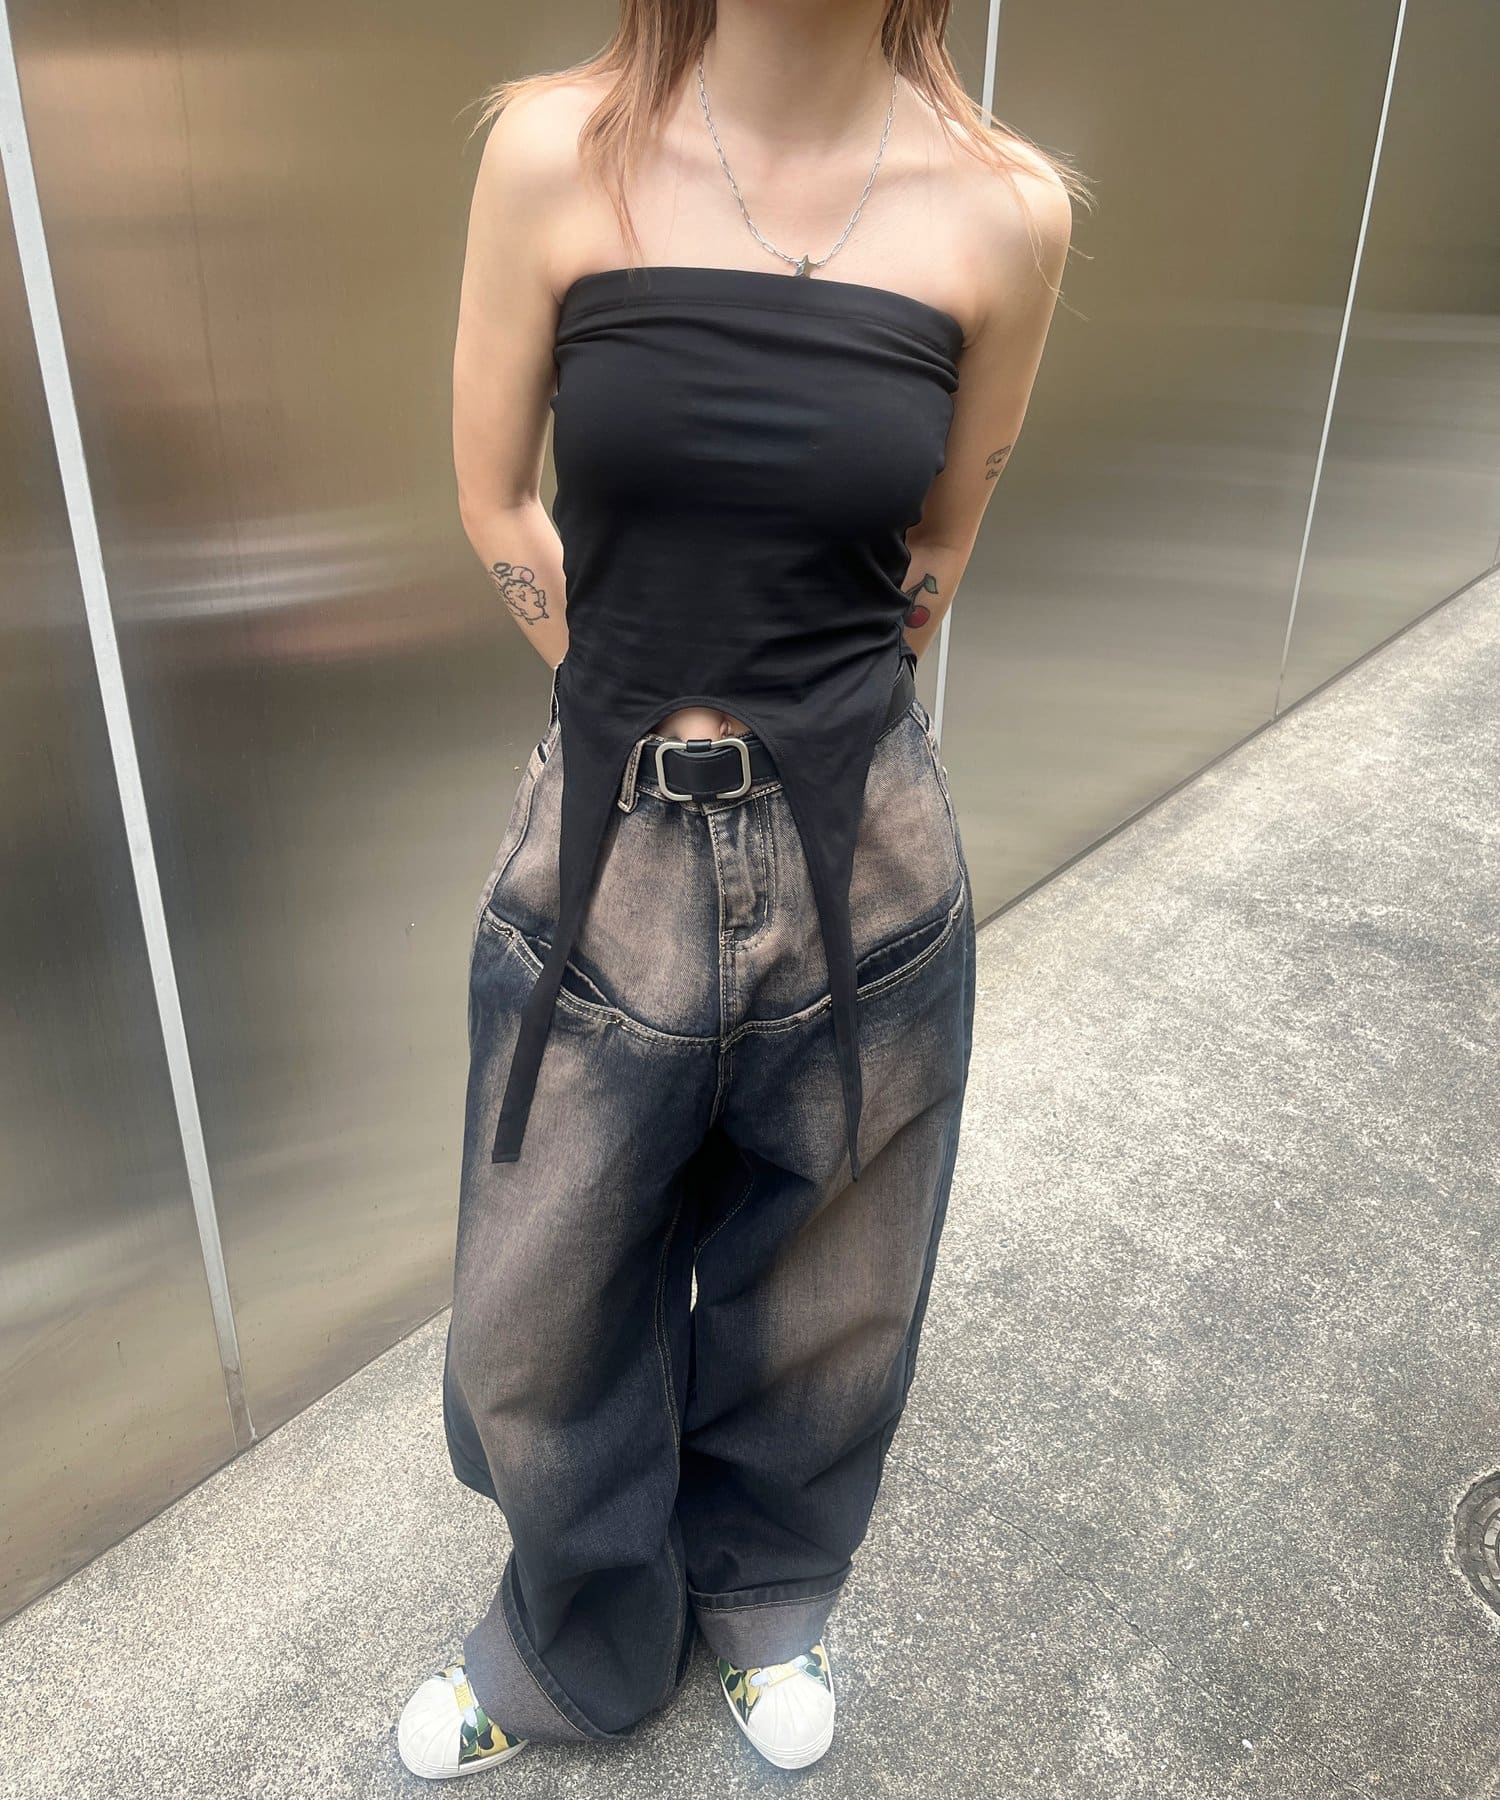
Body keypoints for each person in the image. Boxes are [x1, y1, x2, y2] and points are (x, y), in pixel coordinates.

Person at [398, 0, 1081, 1779]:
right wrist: (631, 687)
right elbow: (495, 497)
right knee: (536, 1307)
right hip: (607, 829)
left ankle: (768, 1597)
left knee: (834, 1276)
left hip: (868, 842)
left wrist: (806, 713)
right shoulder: (552, 152)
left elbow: (937, 543)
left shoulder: (1008, 211)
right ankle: (579, 1640)